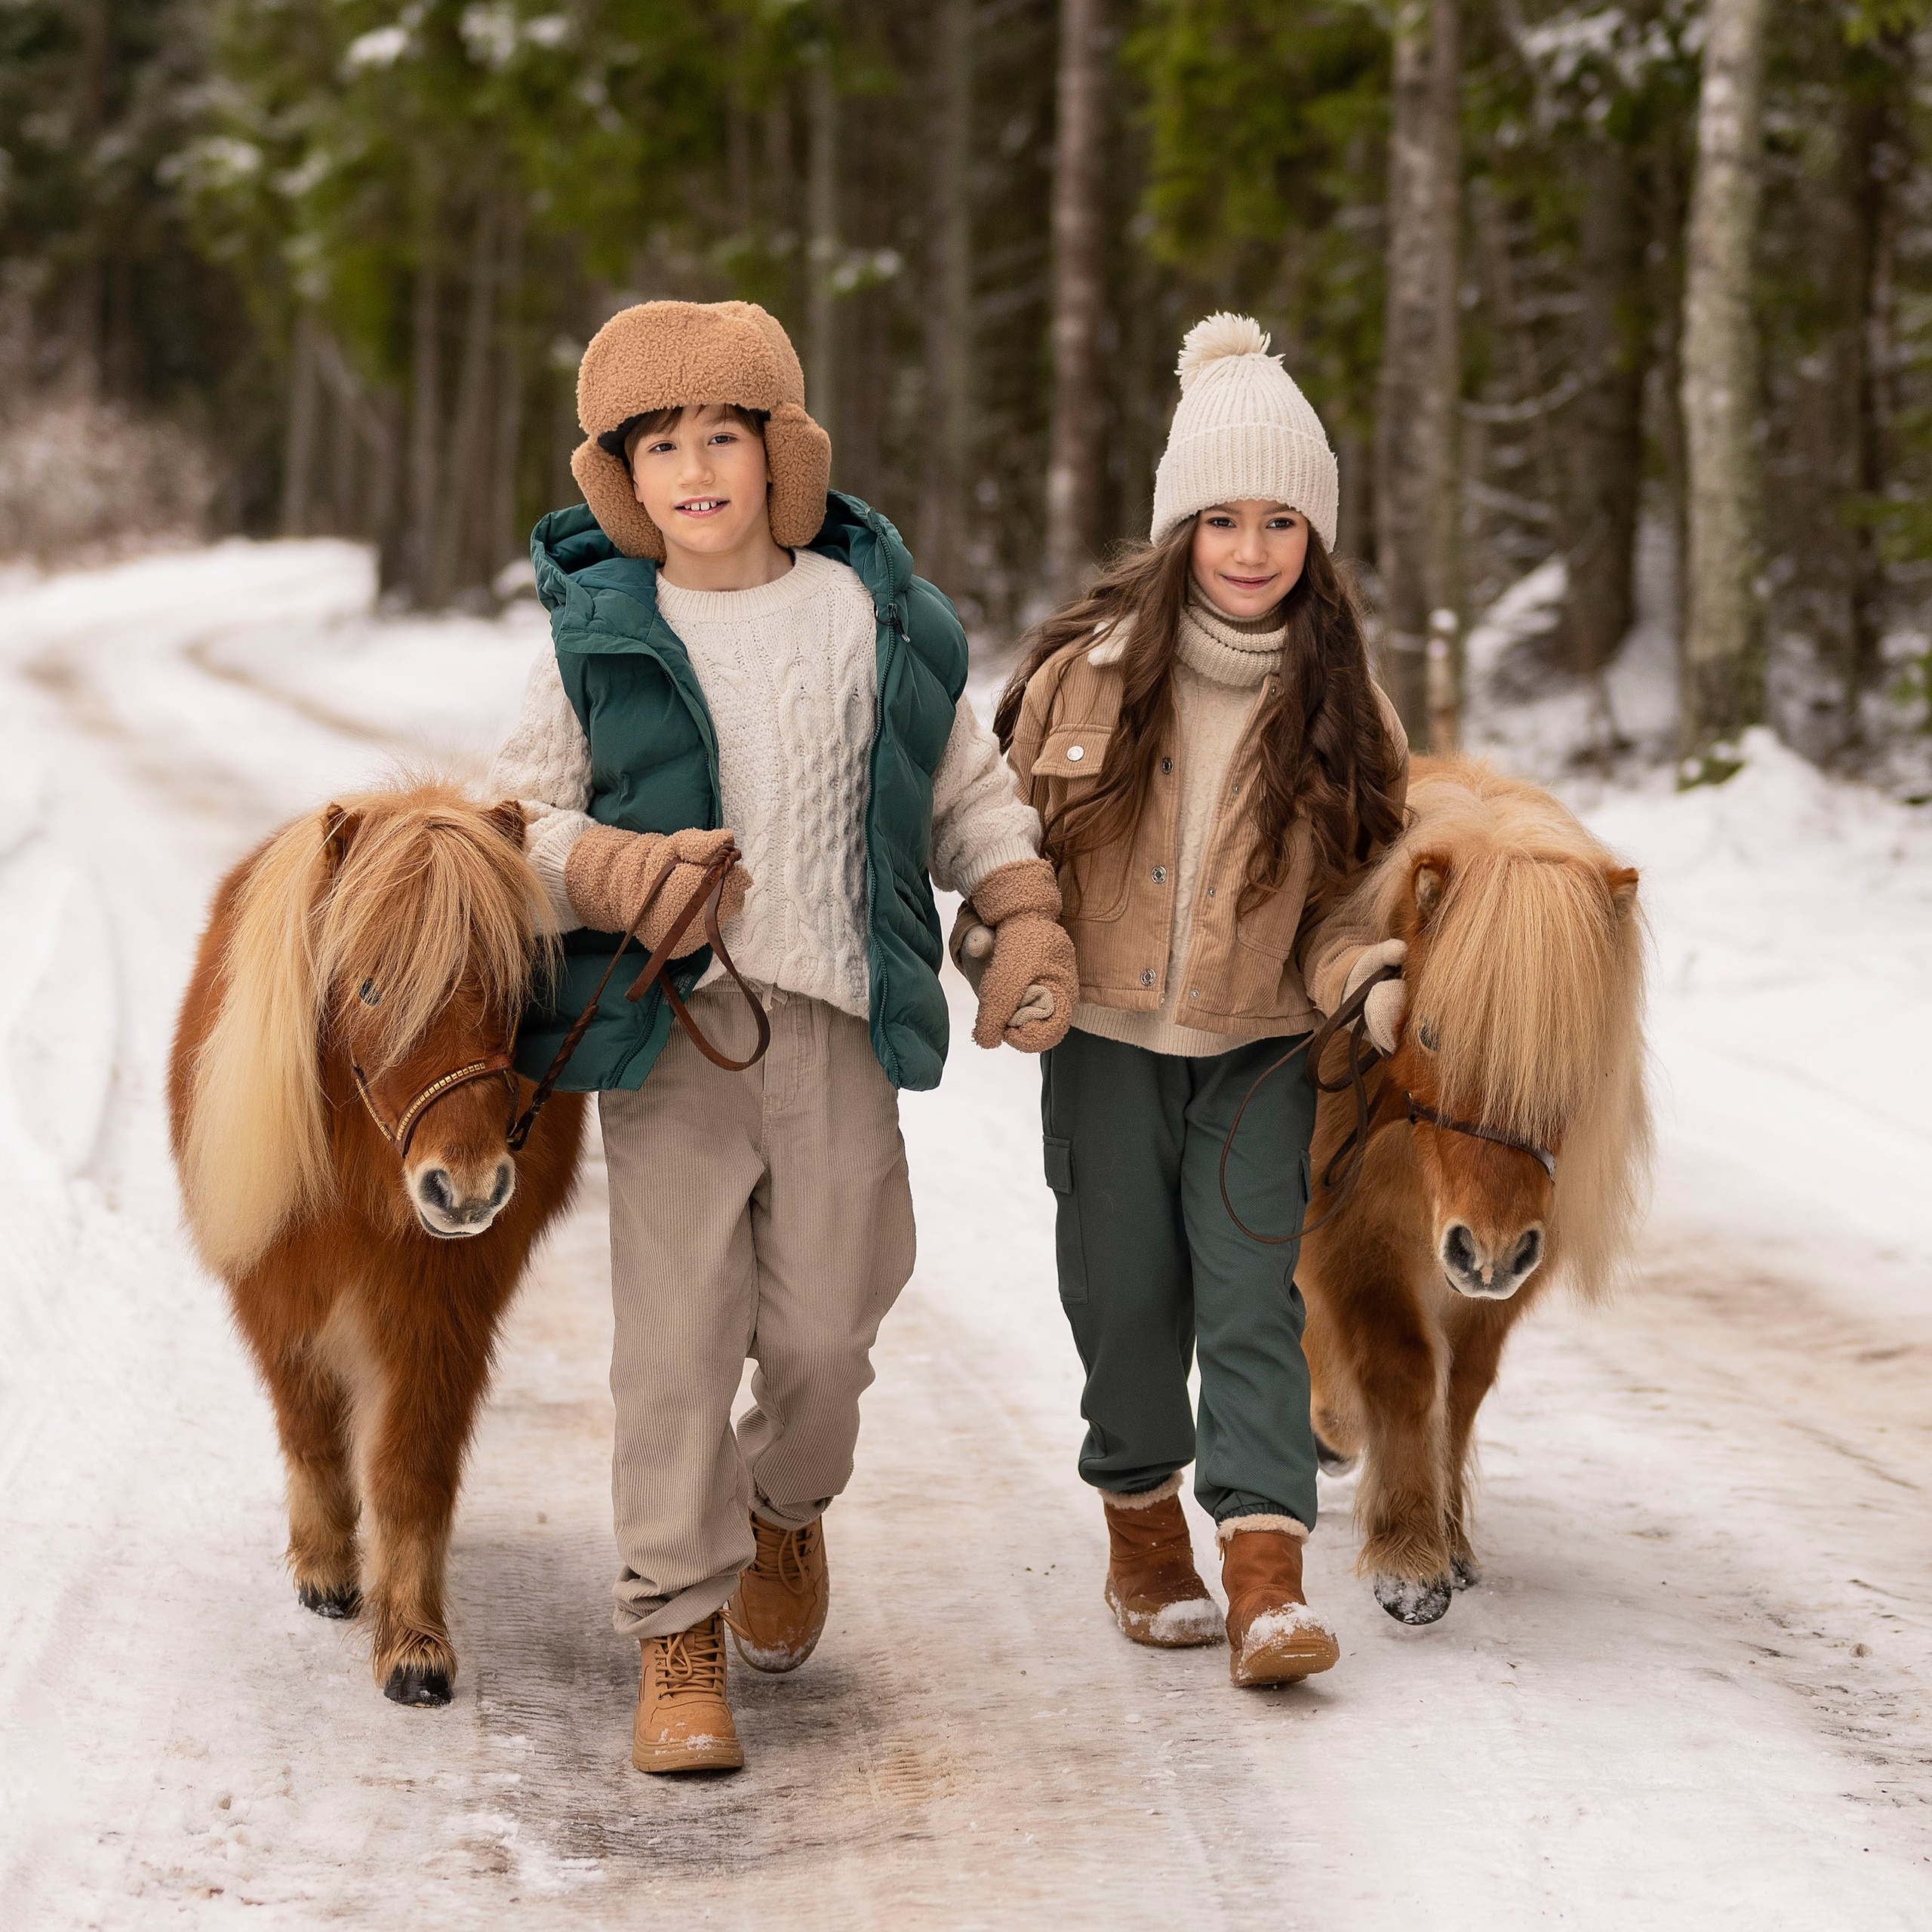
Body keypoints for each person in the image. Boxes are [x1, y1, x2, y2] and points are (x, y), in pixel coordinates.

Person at [488, 299, 1075, 1773]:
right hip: (670, 1039)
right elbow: (506, 821)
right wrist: (607, 868)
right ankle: (675, 1630)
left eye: (721, 439)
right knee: (672, 1348)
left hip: (834, 1037)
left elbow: (971, 798)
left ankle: (784, 1507)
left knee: (827, 1329)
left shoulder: (874, 621)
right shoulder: (598, 639)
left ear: (778, 452)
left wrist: (1022, 909)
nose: (693, 470)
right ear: (620, 472)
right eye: (659, 445)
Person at [957, 314, 1410, 1688]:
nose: (1254, 549)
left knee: (1252, 1299)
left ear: (1316, 540)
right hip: (1102, 1044)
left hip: (1262, 1051)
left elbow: (1353, 906)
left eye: (1284, 522)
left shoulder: (1349, 711)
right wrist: (1006, 959)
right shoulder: (1077, 677)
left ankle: (1267, 1573)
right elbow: (999, 855)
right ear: (1178, 528)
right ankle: (1143, 1526)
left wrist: (1367, 981)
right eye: (1225, 519)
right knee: (1125, 1295)